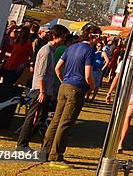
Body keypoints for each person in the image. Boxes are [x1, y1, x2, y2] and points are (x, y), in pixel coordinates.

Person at [41, 26, 97, 166]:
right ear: (91, 36)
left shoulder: (71, 47)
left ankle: (45, 151)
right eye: (97, 36)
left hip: (64, 86)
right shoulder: (89, 50)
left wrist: (63, 80)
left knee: (56, 120)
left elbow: (57, 68)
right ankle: (56, 155)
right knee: (66, 122)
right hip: (76, 88)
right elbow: (88, 74)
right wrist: (92, 87)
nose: (98, 39)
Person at [16, 25, 69, 151]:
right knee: (33, 117)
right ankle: (21, 144)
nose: (63, 40)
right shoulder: (46, 51)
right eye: (62, 37)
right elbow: (41, 73)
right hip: (39, 90)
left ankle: (25, 143)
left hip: (45, 90)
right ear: (55, 36)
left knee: (41, 119)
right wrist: (42, 91)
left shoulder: (51, 50)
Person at [105, 54, 133, 152]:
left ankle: (114, 140)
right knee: (127, 119)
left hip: (122, 94)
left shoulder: (124, 62)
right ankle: (120, 142)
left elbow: (116, 78)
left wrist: (109, 92)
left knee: (118, 118)